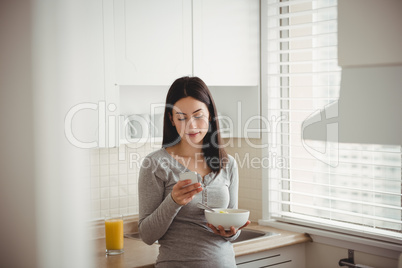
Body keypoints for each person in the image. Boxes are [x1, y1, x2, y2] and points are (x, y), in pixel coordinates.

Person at [138, 76, 250, 267]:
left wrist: (233, 232)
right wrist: (173, 202)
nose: (192, 125)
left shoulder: (227, 163)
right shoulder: (155, 164)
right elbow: (147, 236)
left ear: (210, 115)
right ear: (171, 119)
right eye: (182, 117)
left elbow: (231, 224)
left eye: (198, 116)